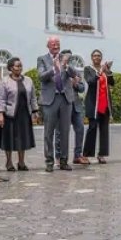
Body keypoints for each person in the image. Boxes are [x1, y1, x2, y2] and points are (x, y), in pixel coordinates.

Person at [37, 37, 78, 172]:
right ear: (48, 45)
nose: (56, 46)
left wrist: (65, 65)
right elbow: (41, 76)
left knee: (65, 131)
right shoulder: (42, 59)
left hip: (65, 98)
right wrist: (54, 68)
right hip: (50, 99)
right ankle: (49, 161)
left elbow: (74, 74)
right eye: (53, 44)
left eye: (58, 44)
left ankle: (64, 160)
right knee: (49, 132)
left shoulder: (65, 58)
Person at [0, 57, 38, 171]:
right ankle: (9, 162)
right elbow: (1, 99)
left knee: (22, 138)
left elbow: (33, 97)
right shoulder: (4, 81)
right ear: (10, 68)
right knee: (9, 138)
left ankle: (21, 162)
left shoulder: (28, 80)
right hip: (10, 114)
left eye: (20, 65)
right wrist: (0, 114)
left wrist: (35, 112)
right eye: (17, 66)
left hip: (24, 114)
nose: (19, 68)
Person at [55, 49, 87, 165]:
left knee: (80, 129)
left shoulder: (75, 72)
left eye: (70, 58)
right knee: (60, 132)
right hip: (63, 105)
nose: (68, 59)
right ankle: (58, 157)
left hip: (76, 106)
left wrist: (76, 84)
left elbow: (82, 88)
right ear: (61, 58)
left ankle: (77, 155)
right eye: (66, 57)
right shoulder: (57, 71)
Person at [83, 49, 114, 164]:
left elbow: (112, 82)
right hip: (93, 104)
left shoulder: (105, 70)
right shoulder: (88, 69)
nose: (97, 57)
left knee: (104, 129)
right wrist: (100, 71)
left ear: (101, 58)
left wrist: (108, 71)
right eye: (95, 56)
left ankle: (102, 154)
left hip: (105, 104)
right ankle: (86, 154)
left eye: (99, 56)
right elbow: (90, 81)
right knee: (92, 128)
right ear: (92, 58)